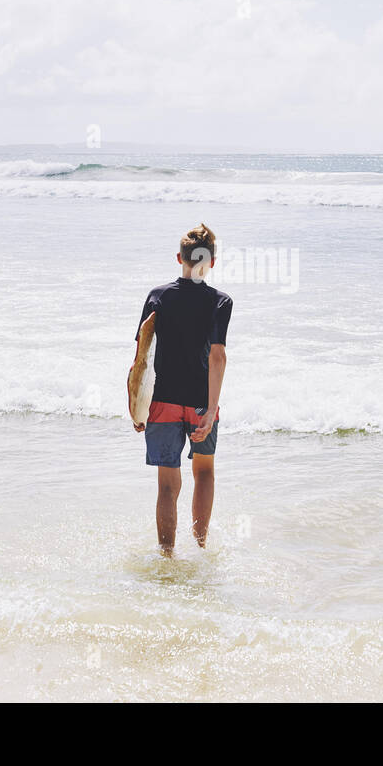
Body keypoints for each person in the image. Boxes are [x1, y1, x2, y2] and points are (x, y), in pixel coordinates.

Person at [134, 223, 232, 553]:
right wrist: (210, 410)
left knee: (166, 484)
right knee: (203, 473)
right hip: (201, 402)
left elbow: (141, 358)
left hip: (162, 401)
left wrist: (135, 405)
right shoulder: (220, 301)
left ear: (180, 258)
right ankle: (201, 547)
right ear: (212, 262)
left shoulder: (157, 297)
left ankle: (166, 554)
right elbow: (217, 358)